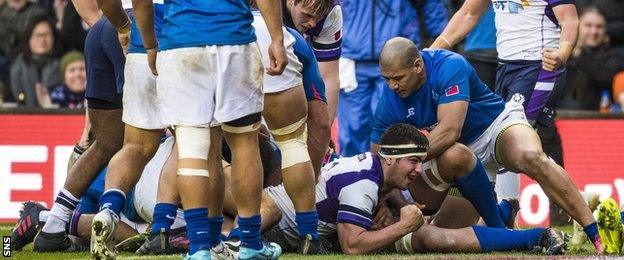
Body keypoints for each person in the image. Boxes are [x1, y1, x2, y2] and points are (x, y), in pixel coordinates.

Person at [372, 37, 612, 254]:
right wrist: (382, 201)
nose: (392, 85)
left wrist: (408, 158)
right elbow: (379, 160)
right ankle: (504, 213)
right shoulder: (389, 99)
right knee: (445, 235)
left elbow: (449, 131)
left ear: (417, 65)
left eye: (397, 78)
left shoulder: (448, 64)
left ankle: (594, 232)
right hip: (462, 159)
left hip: (495, 127)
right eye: (387, 79)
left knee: (530, 156)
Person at [122, 0, 288, 259]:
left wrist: (150, 44)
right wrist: (277, 37)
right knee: (244, 143)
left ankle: (200, 248)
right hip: (234, 40)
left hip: (181, 43)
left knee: (190, 149)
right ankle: (250, 244)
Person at [259, 123, 565, 255]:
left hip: (291, 221)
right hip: (273, 226)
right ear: (390, 159)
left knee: (429, 228)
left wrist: (389, 205)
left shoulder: (373, 171)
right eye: (413, 161)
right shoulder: (362, 183)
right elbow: (352, 247)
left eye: (421, 161)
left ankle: (505, 216)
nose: (419, 170)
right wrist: (401, 224)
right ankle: (531, 236)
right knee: (425, 235)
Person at [32, 0, 130, 253]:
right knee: (155, 138)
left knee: (105, 143)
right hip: (138, 27)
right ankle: (169, 224)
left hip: (101, 29)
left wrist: (102, 26)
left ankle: (53, 222)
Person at [337, 0, 447, 157]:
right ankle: (352, 177)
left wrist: (438, 35)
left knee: (391, 125)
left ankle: (395, 177)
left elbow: (431, 3)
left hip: (398, 59)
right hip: (351, 58)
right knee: (353, 128)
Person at [281, 0, 337, 176]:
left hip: (298, 53)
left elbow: (329, 77)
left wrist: (322, 135)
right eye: (307, 15)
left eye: (317, 17)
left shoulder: (331, 13)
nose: (313, 23)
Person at [560, 7, 624, 110]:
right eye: (588, 26)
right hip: (559, 115)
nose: (594, 31)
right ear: (578, 27)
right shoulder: (563, 54)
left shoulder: (614, 57)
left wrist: (580, 53)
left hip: (596, 118)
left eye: (599, 27)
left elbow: (606, 77)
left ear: (605, 30)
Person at [10, 16, 61, 107]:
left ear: (54, 38)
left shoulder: (61, 64)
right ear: (28, 38)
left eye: (46, 35)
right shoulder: (18, 66)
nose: (42, 40)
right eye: (37, 35)